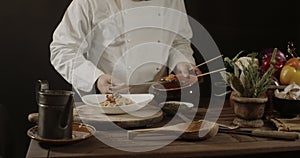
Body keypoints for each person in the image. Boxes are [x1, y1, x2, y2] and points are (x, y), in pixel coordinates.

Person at [50, 0, 201, 94]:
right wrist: (96, 78)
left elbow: (178, 41)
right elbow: (62, 50)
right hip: (104, 103)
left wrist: (181, 62)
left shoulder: (173, 1)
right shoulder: (89, 2)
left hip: (156, 102)